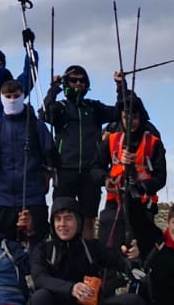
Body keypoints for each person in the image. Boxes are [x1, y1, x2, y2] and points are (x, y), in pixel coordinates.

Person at [28, 197, 144, 305]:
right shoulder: (42, 250)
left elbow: (118, 260)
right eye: (58, 219)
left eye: (68, 218)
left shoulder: (91, 247)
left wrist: (131, 257)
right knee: (39, 298)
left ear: (79, 221)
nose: (62, 224)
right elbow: (40, 278)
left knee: (135, 302)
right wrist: (71, 289)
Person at [42, 66, 125, 240]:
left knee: (88, 219)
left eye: (82, 80)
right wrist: (54, 88)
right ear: (67, 83)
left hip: (90, 171)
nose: (78, 83)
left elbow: (119, 112)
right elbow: (44, 113)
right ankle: (60, 253)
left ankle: (88, 254)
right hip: (64, 169)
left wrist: (120, 86)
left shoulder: (94, 107)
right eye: (74, 80)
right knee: (61, 216)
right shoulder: (61, 107)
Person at [0, 79, 56, 244]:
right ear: (2, 98)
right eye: (8, 96)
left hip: (33, 196)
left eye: (16, 96)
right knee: (4, 245)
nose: (12, 99)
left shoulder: (37, 126)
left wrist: (47, 176)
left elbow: (51, 155)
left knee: (37, 244)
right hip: (2, 198)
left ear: (23, 96)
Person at [99, 93, 168, 251]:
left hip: (143, 204)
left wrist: (142, 187)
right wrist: (105, 179)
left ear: (141, 117)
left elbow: (161, 177)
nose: (130, 122)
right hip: (115, 203)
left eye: (135, 117)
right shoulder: (111, 140)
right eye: (126, 117)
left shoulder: (154, 143)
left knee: (142, 249)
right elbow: (96, 166)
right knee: (111, 249)